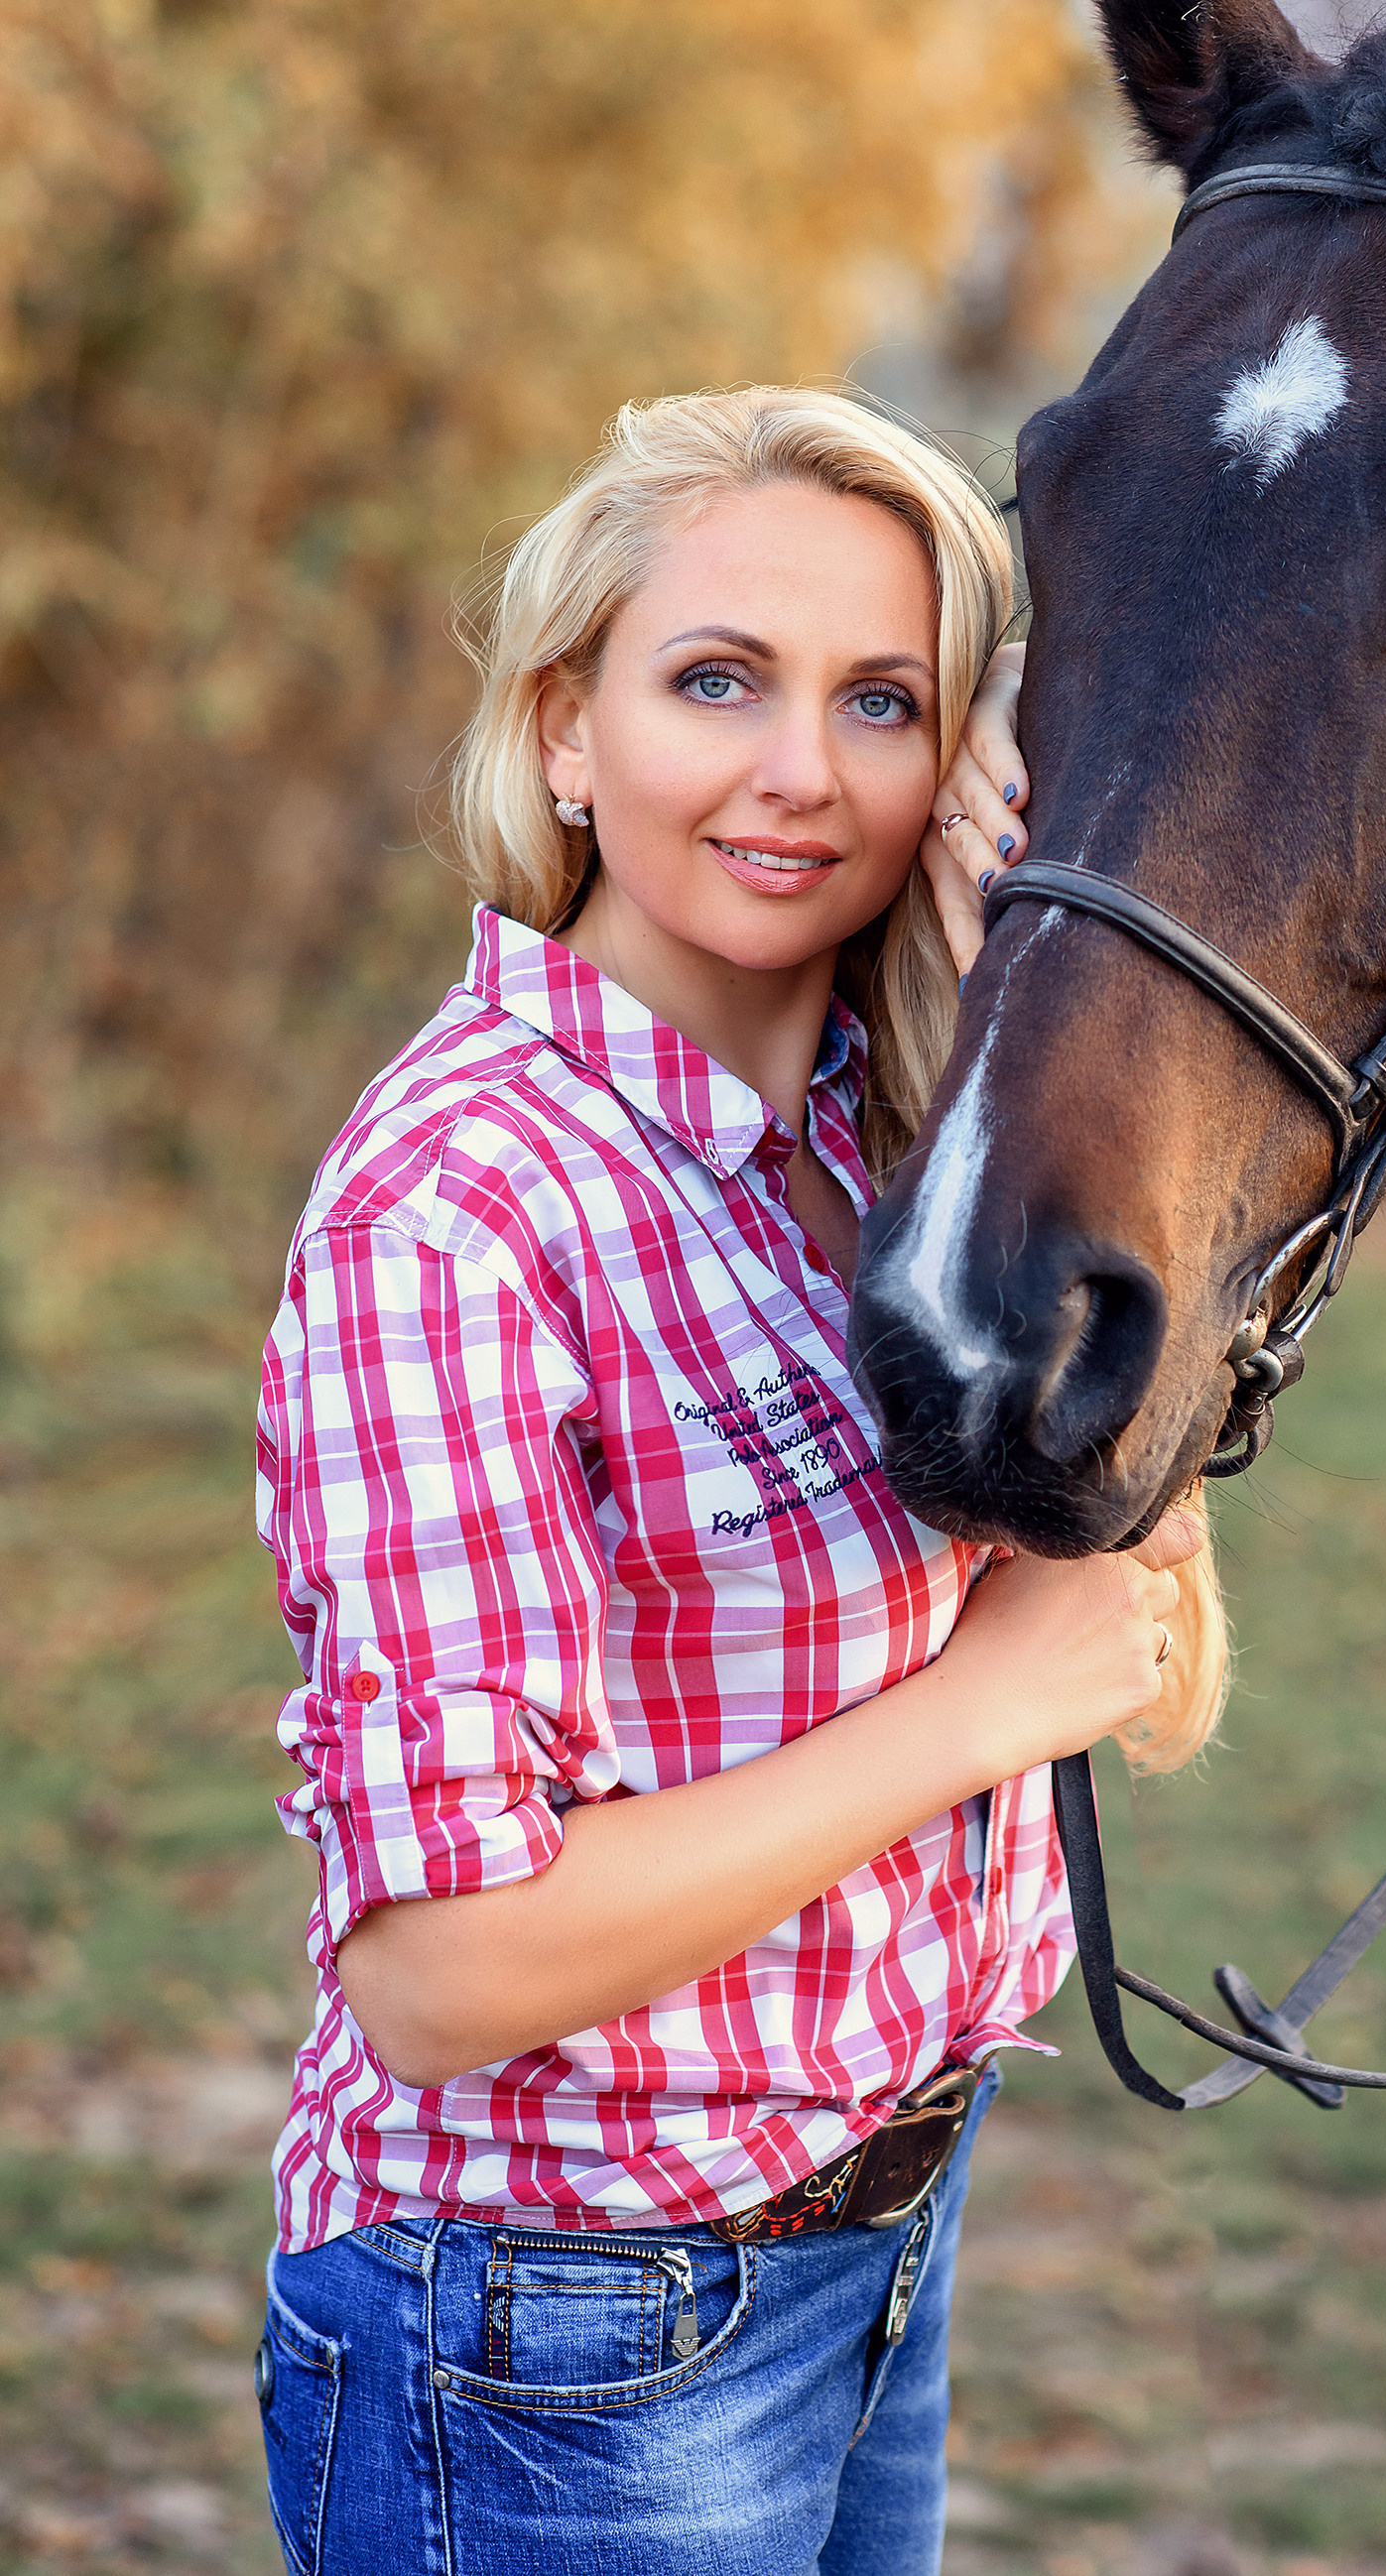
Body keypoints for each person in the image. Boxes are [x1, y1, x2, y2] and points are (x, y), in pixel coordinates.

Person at [254, 387, 1225, 2576]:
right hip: (564, 2338)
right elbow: (443, 1965)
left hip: (871, 2236)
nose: (800, 770)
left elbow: (1139, 1614)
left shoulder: (867, 1163)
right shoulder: (464, 1207)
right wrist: (973, 1711)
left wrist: (1031, 1038)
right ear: (565, 730)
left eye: (880, 700)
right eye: (716, 680)